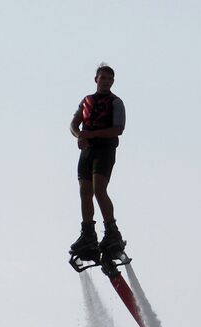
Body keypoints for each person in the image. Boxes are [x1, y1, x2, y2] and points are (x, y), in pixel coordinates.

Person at [68, 64, 126, 257]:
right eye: (103, 78)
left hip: (105, 149)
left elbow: (118, 129)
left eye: (110, 79)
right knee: (84, 191)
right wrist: (80, 136)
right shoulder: (87, 101)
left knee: (99, 189)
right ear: (96, 79)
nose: (106, 82)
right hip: (88, 150)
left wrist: (91, 134)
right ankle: (88, 233)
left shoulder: (116, 102)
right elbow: (74, 124)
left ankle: (112, 231)